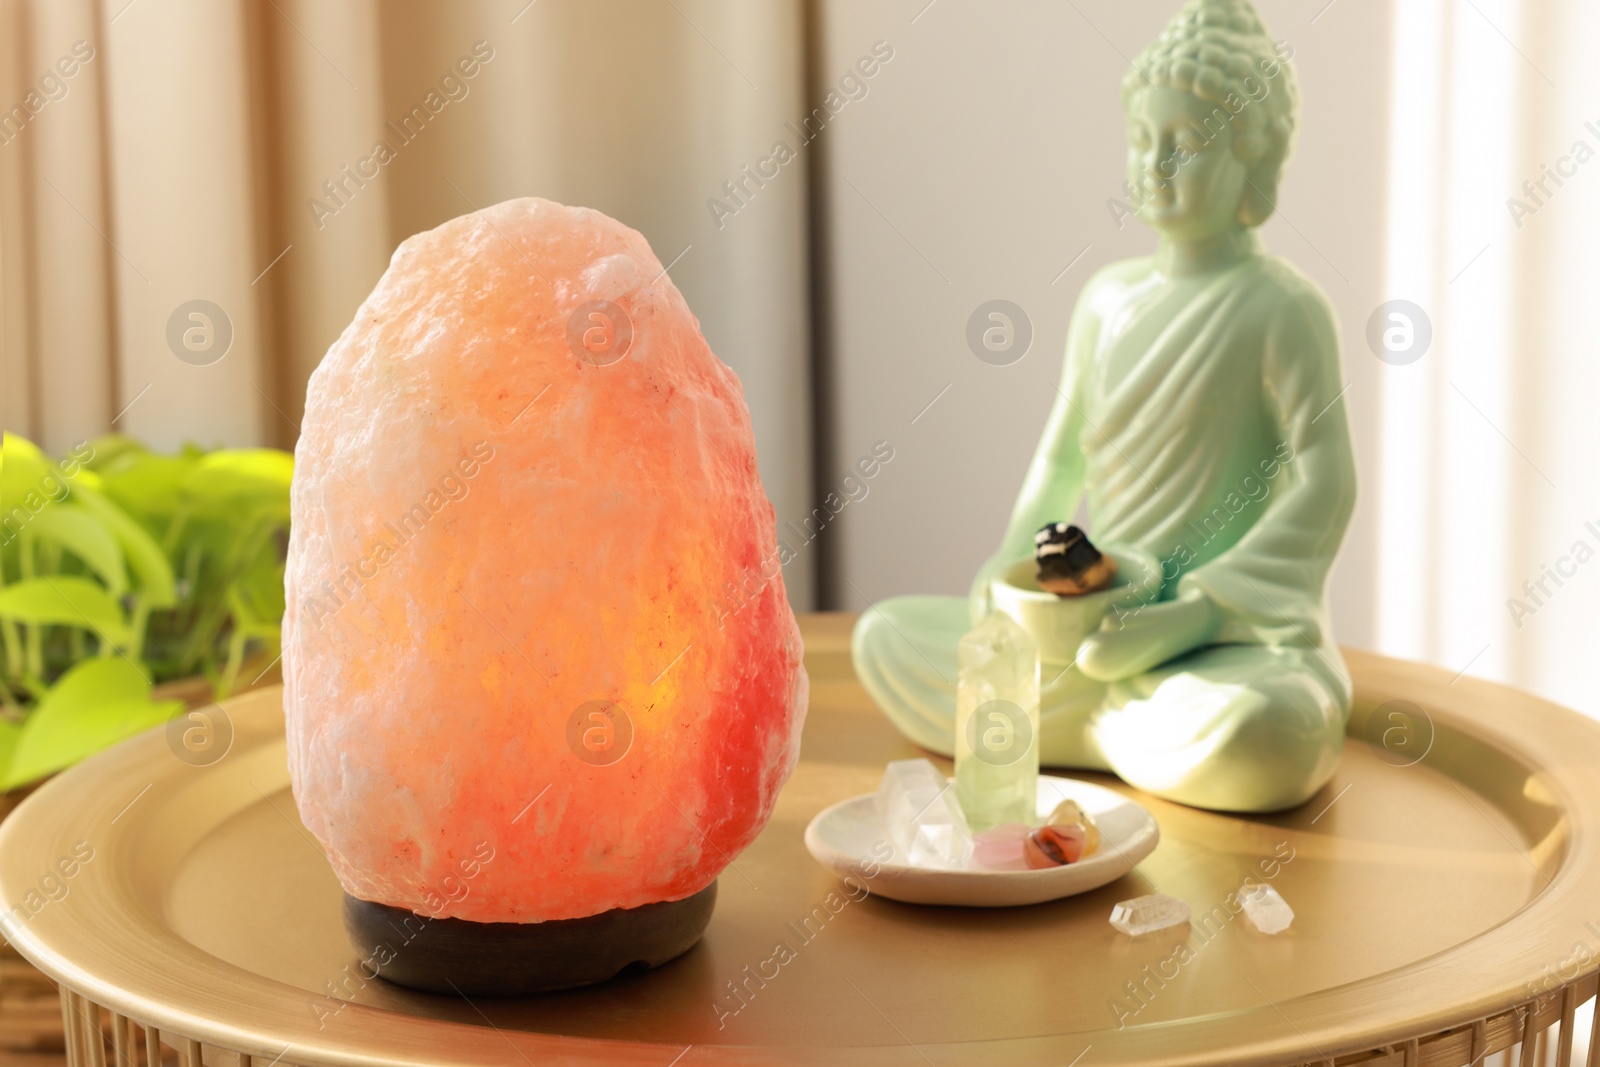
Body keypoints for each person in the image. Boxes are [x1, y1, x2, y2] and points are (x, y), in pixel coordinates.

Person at [851, 0, 1357, 813]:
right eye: (1141, 139)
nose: (1155, 164)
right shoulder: (1105, 300)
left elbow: (1326, 480)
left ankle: (1084, 724)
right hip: (1090, 625)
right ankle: (1109, 725)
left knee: (1268, 728)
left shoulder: (1282, 308)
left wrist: (1197, 611)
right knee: (886, 639)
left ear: (1253, 164)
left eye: (1186, 144)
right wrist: (1004, 571)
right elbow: (1060, 459)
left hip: (1218, 646)